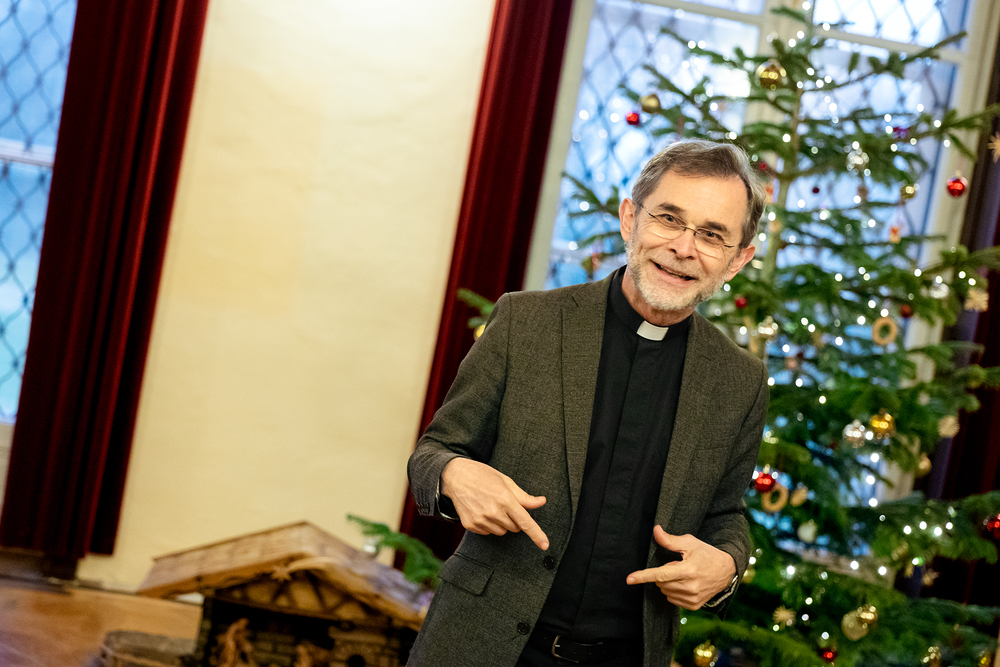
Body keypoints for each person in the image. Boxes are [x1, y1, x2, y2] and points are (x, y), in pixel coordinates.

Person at [407, 140, 769, 667]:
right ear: (630, 219)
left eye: (712, 235)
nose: (684, 247)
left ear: (737, 260)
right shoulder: (525, 323)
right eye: (669, 219)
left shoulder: (741, 380)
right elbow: (432, 454)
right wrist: (454, 473)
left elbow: (725, 512)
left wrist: (729, 565)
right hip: (481, 644)